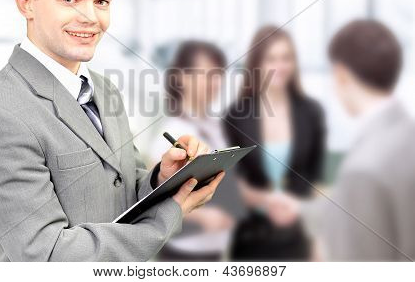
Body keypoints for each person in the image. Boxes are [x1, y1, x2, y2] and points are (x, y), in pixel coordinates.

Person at [0, 0, 225, 262]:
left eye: (101, 1)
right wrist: (168, 215)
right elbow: (46, 255)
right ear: (26, 3)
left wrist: (163, 177)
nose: (91, 18)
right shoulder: (0, 113)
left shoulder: (103, 89)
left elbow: (124, 189)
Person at [263, 19, 415, 261]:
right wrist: (302, 210)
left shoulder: (364, 169)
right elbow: (371, 210)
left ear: (341, 74)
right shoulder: (405, 133)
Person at [223, 24, 326, 261]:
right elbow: (229, 182)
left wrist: (317, 238)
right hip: (251, 239)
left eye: (286, 58)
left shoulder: (311, 113)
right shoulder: (236, 116)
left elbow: (317, 181)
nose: (280, 66)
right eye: (271, 58)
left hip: (298, 235)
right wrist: (265, 200)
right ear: (257, 64)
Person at [148, 40, 245, 261]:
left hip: (216, 248)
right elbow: (155, 201)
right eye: (206, 74)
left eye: (218, 74)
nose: (214, 82)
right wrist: (203, 217)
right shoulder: (173, 130)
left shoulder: (217, 126)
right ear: (182, 78)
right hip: (185, 252)